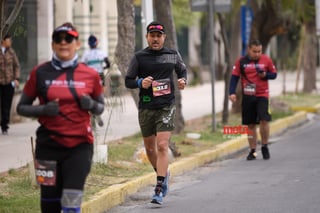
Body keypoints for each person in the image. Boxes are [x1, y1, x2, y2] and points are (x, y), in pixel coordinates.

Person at [16, 22, 104, 213]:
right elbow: (21, 107)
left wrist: (90, 105)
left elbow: (100, 108)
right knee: (49, 205)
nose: (63, 43)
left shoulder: (90, 74)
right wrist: (44, 109)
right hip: (48, 146)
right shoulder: (40, 72)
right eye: (58, 39)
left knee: (71, 203)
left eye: (68, 39)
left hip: (79, 146)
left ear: (77, 44)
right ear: (53, 44)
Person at [125, 21, 187, 206]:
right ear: (147, 37)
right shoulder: (139, 57)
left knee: (162, 146)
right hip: (146, 107)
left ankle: (159, 188)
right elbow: (128, 80)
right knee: (150, 149)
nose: (155, 39)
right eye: (152, 35)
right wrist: (140, 83)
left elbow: (182, 70)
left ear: (164, 37)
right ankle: (163, 174)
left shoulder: (172, 55)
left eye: (158, 36)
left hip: (166, 106)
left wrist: (183, 79)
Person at [229, 39, 277, 161]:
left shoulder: (266, 60)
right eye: (254, 51)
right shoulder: (241, 61)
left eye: (259, 51)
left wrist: (265, 75)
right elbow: (234, 77)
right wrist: (232, 92)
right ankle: (252, 150)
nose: (257, 54)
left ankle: (265, 145)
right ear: (249, 50)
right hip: (248, 95)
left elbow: (274, 74)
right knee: (250, 124)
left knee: (264, 120)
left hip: (262, 95)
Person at [81, 34, 110, 127]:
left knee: (90, 97)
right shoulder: (102, 53)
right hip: (99, 76)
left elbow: (82, 66)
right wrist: (102, 67)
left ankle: (92, 115)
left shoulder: (86, 54)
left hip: (88, 77)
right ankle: (97, 113)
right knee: (100, 96)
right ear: (97, 43)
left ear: (89, 44)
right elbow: (108, 64)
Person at [0, 34, 20, 135]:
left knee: (6, 105)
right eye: (9, 40)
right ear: (3, 41)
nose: (10, 42)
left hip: (8, 82)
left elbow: (16, 66)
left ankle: (4, 126)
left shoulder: (12, 52)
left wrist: (16, 79)